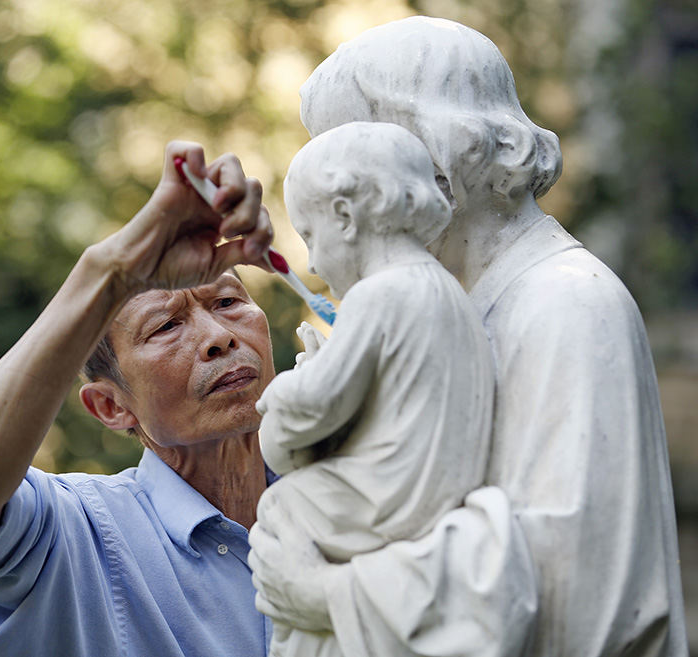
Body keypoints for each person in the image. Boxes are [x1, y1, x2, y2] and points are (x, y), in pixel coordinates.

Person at [249, 16, 689, 657]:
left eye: (346, 156)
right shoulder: (445, 304)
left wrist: (327, 592)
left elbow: (578, 593)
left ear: (435, 154)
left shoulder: (567, 302)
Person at [0, 141, 277, 657]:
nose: (218, 334)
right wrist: (114, 270)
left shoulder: (354, 492)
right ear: (111, 407)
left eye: (228, 301)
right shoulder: (83, 536)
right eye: (166, 325)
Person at [254, 121, 515, 657]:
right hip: (439, 489)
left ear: (346, 217)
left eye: (311, 236)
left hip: (393, 495)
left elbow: (310, 410)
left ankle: (311, 628)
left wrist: (284, 392)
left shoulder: (380, 296)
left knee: (282, 505)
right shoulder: (445, 290)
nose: (314, 264)